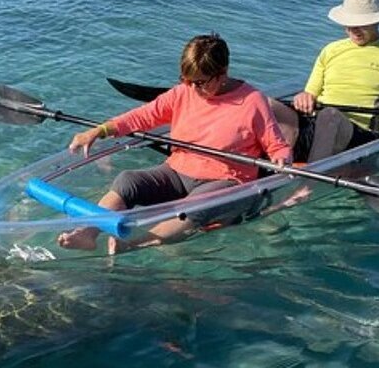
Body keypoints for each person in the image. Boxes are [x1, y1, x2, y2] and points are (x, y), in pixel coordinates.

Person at [58, 33, 293, 254]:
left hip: (227, 179)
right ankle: (87, 234)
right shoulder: (183, 92)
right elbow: (143, 116)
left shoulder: (252, 102)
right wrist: (99, 131)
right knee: (127, 180)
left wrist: (282, 159)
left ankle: (131, 245)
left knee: (194, 206)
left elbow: (277, 145)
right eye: (186, 80)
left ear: (222, 73)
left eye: (199, 82)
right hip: (178, 170)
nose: (192, 88)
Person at [270, 0, 379, 162]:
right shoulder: (331, 50)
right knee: (263, 102)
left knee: (330, 115)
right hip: (316, 125)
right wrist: (304, 97)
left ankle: (307, 185)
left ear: (378, 20)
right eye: (349, 24)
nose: (353, 30)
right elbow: (310, 93)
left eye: (361, 24)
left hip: (359, 134)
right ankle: (270, 164)